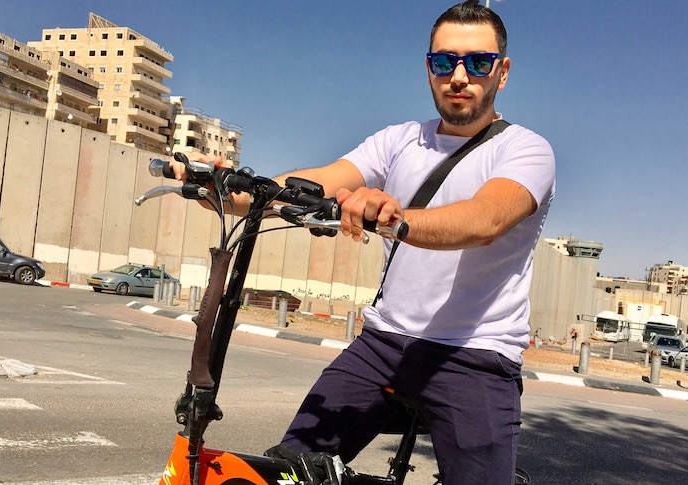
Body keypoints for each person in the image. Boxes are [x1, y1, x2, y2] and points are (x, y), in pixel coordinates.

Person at [172, 1, 554, 483]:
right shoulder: (399, 140)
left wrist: (394, 220)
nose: (459, 75)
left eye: (477, 62)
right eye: (444, 62)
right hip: (383, 345)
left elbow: (485, 219)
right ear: (428, 68)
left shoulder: (525, 149)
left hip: (475, 354)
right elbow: (316, 181)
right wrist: (233, 191)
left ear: (502, 71)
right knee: (291, 471)